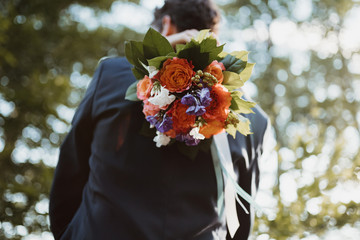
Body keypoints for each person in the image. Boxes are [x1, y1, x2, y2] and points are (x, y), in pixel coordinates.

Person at [49, 0, 271, 239]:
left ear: (165, 25)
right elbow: (239, 221)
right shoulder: (252, 119)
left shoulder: (113, 75)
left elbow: (69, 180)